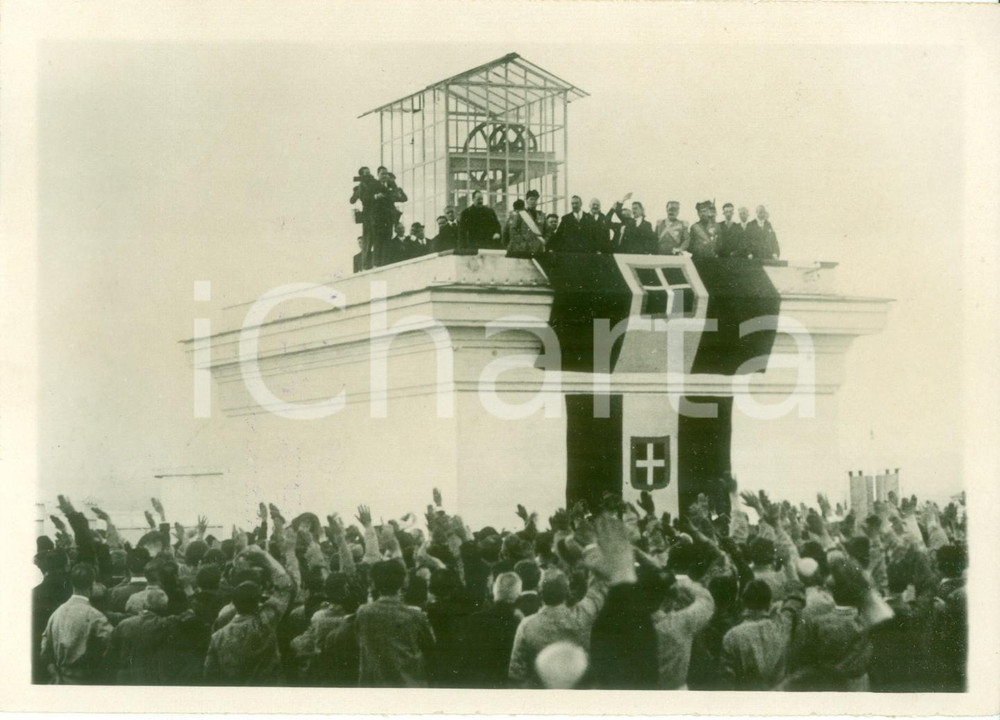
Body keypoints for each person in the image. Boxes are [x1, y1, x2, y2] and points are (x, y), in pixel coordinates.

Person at [719, 536, 805, 690]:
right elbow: (796, 595)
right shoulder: (782, 625)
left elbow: (727, 678)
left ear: (743, 601)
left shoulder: (732, 635)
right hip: (779, 689)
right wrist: (787, 563)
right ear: (769, 602)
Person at [203, 545, 293, 685]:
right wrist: (264, 556)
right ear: (258, 600)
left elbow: (209, 674)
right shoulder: (265, 623)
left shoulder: (219, 629)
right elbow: (285, 586)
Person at [507, 567, 608, 687]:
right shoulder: (583, 616)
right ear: (567, 592)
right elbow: (596, 594)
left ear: (539, 592)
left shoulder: (526, 625)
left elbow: (516, 673)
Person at [355, 559, 436, 687]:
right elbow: (430, 646)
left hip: (374, 686)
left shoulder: (363, 612)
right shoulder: (414, 616)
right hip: (408, 685)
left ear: (374, 583)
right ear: (404, 582)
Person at [39, 562, 114, 684]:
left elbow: (45, 651)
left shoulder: (56, 614)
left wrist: (55, 674)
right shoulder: (95, 616)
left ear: (72, 583)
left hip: (60, 680)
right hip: (85, 681)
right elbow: (112, 643)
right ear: (92, 585)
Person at [462, 572, 523, 689]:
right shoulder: (519, 623)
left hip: (479, 683)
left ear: (494, 591)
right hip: (507, 685)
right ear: (518, 595)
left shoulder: (476, 619)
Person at [32, 548, 71, 683]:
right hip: (66, 656)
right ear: (66, 566)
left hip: (40, 657)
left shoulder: (34, 593)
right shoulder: (71, 591)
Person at [369, 167, 408, 268]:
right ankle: (376, 264)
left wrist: (398, 191)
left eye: (386, 174)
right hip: (378, 220)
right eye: (382, 174)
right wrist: (376, 196)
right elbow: (367, 199)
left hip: (388, 219)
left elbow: (403, 198)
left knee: (387, 241)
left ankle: (385, 263)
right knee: (378, 242)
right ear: (377, 175)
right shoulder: (374, 185)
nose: (385, 176)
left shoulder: (391, 185)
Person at [349, 166, 379, 271]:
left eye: (369, 172)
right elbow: (352, 200)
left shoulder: (374, 183)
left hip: (375, 215)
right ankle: (365, 264)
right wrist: (357, 192)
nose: (369, 174)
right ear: (362, 175)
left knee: (375, 238)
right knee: (368, 239)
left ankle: (374, 262)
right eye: (366, 173)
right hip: (368, 216)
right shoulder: (361, 186)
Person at [505, 190, 547, 258]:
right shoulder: (521, 214)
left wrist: (544, 241)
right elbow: (513, 230)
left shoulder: (541, 215)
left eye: (535, 199)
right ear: (527, 201)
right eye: (531, 199)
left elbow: (547, 231)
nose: (533, 201)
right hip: (523, 249)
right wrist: (521, 242)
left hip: (537, 249)